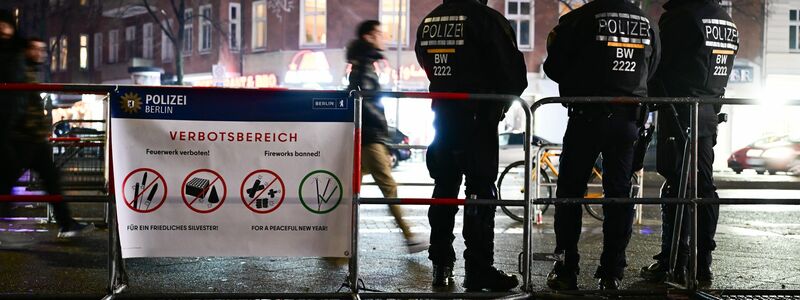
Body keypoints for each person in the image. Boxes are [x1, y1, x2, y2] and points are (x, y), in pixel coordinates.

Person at [543, 0, 660, 290]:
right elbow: (653, 67)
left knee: (570, 192)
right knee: (619, 195)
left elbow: (554, 66)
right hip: (627, 120)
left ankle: (566, 268)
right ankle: (612, 273)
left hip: (587, 116)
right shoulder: (646, 22)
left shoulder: (579, 19)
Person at [415, 0, 527, 292]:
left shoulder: (430, 20)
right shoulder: (487, 20)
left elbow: (425, 62)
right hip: (478, 118)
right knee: (480, 193)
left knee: (444, 189)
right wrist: (499, 103)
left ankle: (440, 265)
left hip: (443, 115)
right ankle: (478, 269)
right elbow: (514, 75)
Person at [639, 0, 738, 288]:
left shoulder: (682, 17)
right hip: (708, 112)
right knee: (703, 187)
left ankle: (674, 261)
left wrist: (649, 98)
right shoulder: (725, 20)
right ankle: (702, 263)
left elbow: (658, 65)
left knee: (677, 186)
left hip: (679, 111)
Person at [0, 34, 94, 239]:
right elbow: (16, 105)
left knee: (50, 179)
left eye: (42, 49)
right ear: (25, 50)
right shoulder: (19, 70)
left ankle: (67, 223)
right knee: (9, 181)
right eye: (35, 49)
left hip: (32, 138)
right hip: (22, 137)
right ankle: (66, 223)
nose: (40, 53)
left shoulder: (28, 71)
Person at [347, 20, 428, 253]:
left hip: (368, 135)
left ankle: (335, 250)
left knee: (352, 190)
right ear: (369, 36)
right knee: (388, 187)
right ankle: (409, 235)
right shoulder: (363, 66)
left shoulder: (363, 63)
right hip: (371, 137)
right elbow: (363, 98)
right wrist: (381, 123)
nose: (384, 37)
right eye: (380, 33)